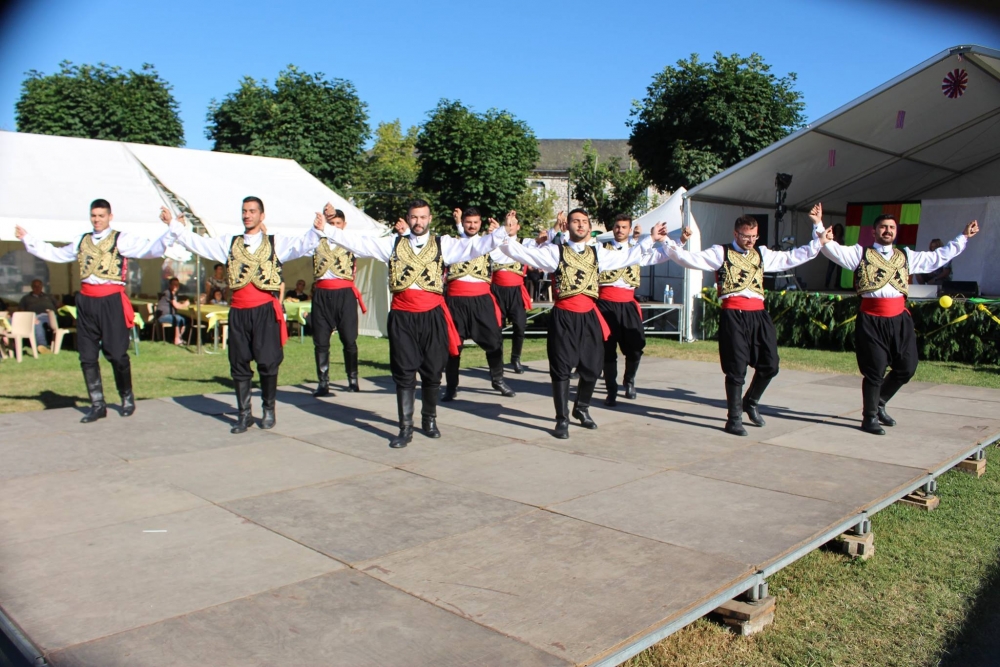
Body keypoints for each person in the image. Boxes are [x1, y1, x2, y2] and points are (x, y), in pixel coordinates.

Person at [320, 199, 509, 449]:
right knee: (404, 372)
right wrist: (328, 229)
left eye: (422, 217)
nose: (418, 222)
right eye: (413, 217)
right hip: (402, 316)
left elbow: (475, 246)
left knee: (432, 371)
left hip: (432, 315)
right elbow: (361, 244)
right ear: (408, 219)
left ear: (429, 219)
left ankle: (429, 419)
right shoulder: (393, 244)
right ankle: (405, 427)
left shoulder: (445, 245)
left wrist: (504, 231)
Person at [496, 208, 667, 439]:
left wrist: (651, 238)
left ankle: (581, 408)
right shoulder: (555, 252)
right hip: (564, 316)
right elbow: (520, 253)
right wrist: (506, 230)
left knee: (592, 367)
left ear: (589, 227)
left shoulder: (599, 254)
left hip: (589, 316)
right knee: (561, 369)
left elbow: (628, 256)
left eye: (584, 222)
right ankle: (561, 419)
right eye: (575, 221)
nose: (580, 225)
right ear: (567, 226)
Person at [814, 205, 978, 434]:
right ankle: (869, 417)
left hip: (900, 319)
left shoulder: (907, 256)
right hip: (872, 319)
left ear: (895, 231)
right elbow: (830, 249)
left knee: (907, 367)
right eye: (883, 227)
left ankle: (879, 402)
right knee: (875, 369)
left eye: (891, 227)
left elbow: (939, 257)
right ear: (874, 232)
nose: (887, 231)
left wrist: (963, 237)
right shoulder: (860, 254)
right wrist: (819, 225)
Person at [166, 197, 323, 433]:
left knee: (268, 362)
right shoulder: (229, 243)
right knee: (238, 363)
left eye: (252, 211)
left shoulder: (275, 243)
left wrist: (317, 229)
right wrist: (176, 227)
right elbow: (199, 244)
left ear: (262, 215)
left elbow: (302, 244)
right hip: (239, 310)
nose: (247, 215)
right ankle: (244, 413)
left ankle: (268, 409)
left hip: (263, 310)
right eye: (244, 211)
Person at [664, 213, 823, 436]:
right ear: (735, 233)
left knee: (771, 365)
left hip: (758, 314)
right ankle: (734, 419)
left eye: (754, 237)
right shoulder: (720, 252)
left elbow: (792, 257)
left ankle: (751, 401)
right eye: (746, 236)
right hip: (733, 314)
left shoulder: (762, 253)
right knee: (736, 368)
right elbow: (688, 259)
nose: (750, 241)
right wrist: (669, 242)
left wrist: (818, 236)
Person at [16, 199, 174, 422]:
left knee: (117, 354)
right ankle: (97, 404)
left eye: (101, 215)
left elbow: (150, 249)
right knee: (87, 355)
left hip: (111, 301)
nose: (97, 219)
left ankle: (126, 396)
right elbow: (58, 254)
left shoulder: (122, 239)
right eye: (94, 215)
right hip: (87, 302)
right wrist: (28, 239)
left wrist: (171, 228)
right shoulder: (82, 240)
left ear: (110, 216)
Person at [441, 207, 516, 401]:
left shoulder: (488, 244)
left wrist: (504, 232)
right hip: (455, 301)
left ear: (480, 223)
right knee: (453, 346)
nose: (472, 225)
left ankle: (497, 379)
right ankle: (451, 386)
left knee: (494, 341)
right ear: (462, 223)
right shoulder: (451, 244)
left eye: (475, 222)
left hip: (481, 301)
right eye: (468, 222)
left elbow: (506, 256)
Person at [598, 213, 658, 406]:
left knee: (635, 347)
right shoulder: (601, 250)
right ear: (612, 228)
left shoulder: (638, 250)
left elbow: (659, 256)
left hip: (627, 303)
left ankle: (629, 380)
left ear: (630, 230)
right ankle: (611, 389)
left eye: (624, 227)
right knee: (607, 349)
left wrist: (680, 242)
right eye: (617, 226)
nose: (620, 230)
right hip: (605, 303)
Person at [309, 204, 367, 397]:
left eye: (337, 223)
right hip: (322, 295)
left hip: (345, 295)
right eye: (331, 223)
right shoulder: (316, 241)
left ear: (344, 225)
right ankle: (323, 382)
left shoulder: (351, 242)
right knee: (321, 341)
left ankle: (352, 379)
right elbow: (301, 242)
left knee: (349, 339)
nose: (334, 226)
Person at [489, 211, 536, 374]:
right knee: (497, 327)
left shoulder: (525, 243)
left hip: (516, 291)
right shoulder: (495, 242)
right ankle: (498, 360)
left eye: (512, 223)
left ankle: (515, 358)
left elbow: (543, 241)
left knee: (520, 326)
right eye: (507, 223)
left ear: (518, 226)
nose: (510, 226)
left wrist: (556, 228)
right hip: (497, 291)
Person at [19, 279, 58, 351]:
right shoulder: (26, 298)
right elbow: (22, 311)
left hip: (51, 316)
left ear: (42, 286)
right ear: (32, 287)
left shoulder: (49, 296)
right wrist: (30, 318)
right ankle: (42, 345)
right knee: (37, 323)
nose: (37, 288)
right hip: (36, 317)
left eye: (39, 286)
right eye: (35, 286)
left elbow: (60, 306)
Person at [156, 277, 190, 345]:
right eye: (174, 284)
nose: (176, 286)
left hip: (170, 315)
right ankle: (176, 339)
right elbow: (176, 306)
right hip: (163, 316)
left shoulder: (174, 294)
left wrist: (181, 303)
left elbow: (175, 304)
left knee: (186, 319)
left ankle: (179, 337)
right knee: (178, 319)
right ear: (170, 285)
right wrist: (185, 304)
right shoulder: (168, 293)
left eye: (177, 285)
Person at [824, 223, 845, 289]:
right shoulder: (833, 237)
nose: (838, 230)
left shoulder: (842, 239)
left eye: (839, 229)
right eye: (837, 229)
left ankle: (837, 285)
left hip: (840, 257)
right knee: (830, 270)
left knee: (839, 272)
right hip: (833, 256)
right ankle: (827, 284)